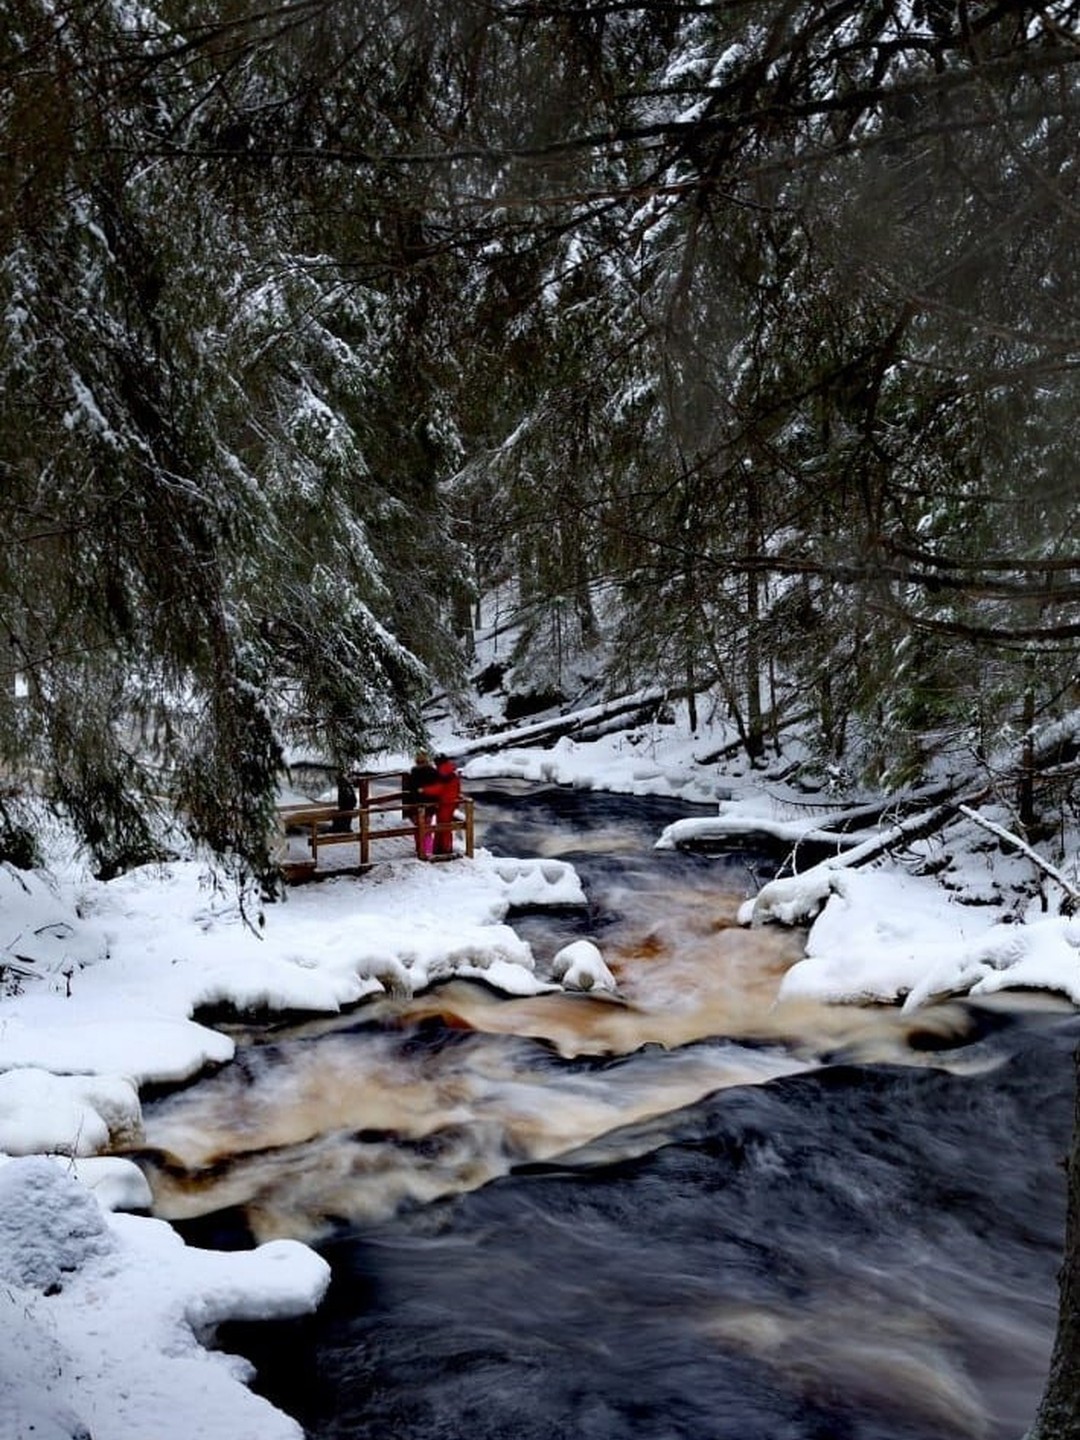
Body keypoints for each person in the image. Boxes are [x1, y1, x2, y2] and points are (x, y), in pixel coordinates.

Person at [425, 754, 462, 857]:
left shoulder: (443, 772)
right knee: (445, 826)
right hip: (451, 802)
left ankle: (443, 849)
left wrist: (424, 790)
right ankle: (443, 848)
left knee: (443, 826)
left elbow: (438, 788)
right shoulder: (451, 770)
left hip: (444, 803)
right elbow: (457, 787)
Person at [406, 750, 439, 858]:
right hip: (430, 804)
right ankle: (428, 849)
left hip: (417, 804)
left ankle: (419, 848)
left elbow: (410, 790)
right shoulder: (433, 772)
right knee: (427, 828)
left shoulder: (414, 773)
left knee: (418, 828)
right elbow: (437, 788)